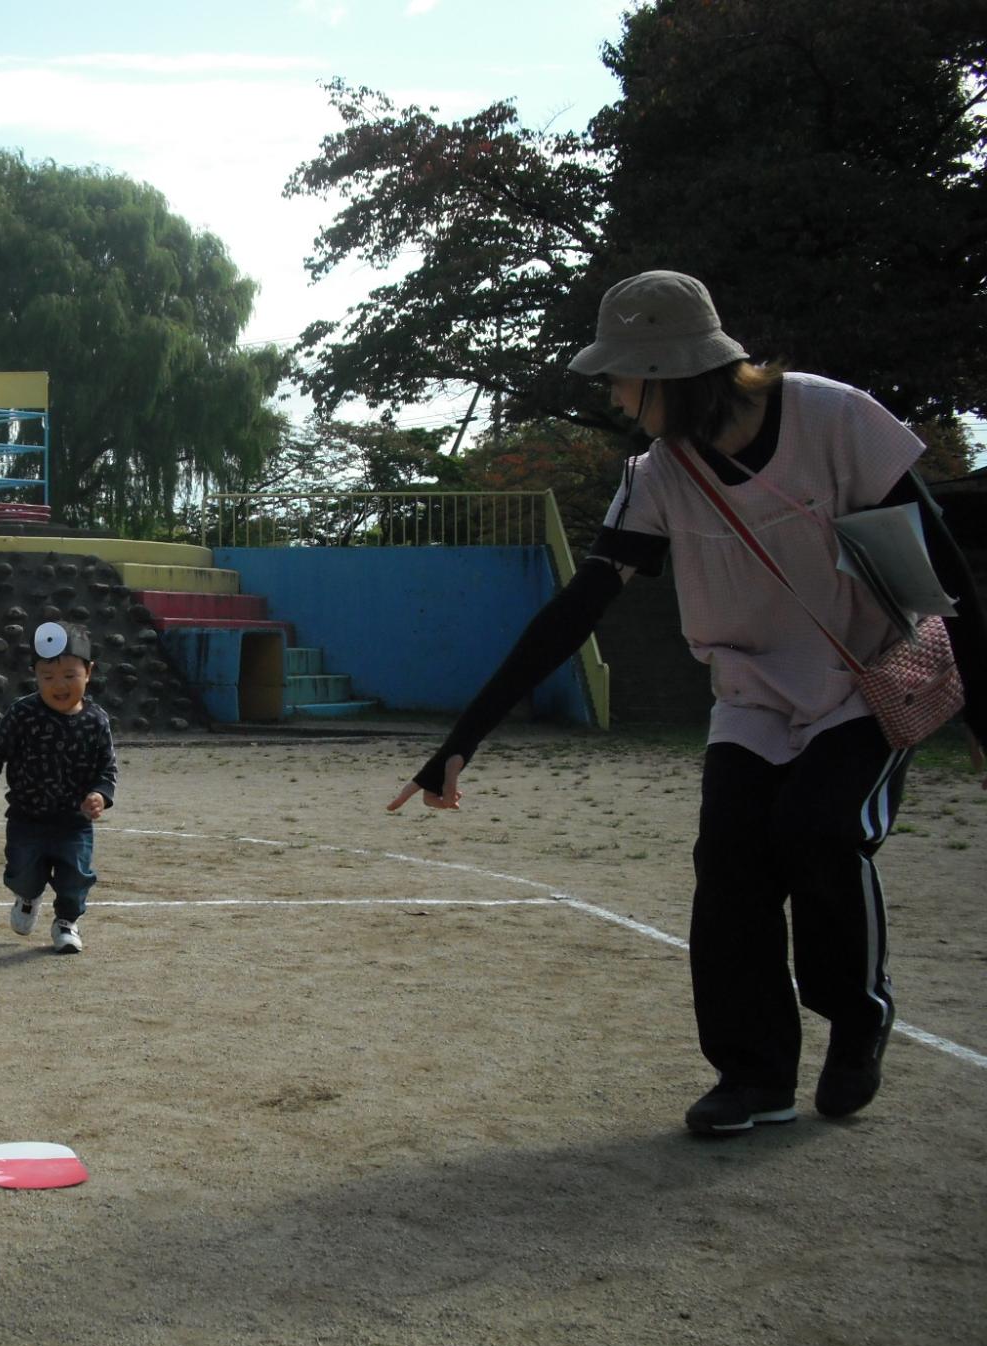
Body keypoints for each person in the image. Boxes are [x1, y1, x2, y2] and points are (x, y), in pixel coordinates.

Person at [388, 270, 987, 1136]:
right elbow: (575, 610)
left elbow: (945, 566)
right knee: (731, 863)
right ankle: (754, 1076)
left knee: (820, 831)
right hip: (750, 692)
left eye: (624, 378)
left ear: (669, 374)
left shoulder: (834, 418)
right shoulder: (658, 475)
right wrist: (462, 740)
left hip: (865, 677)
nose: (618, 396)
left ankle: (856, 1017)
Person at [0, 621, 119, 954]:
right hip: (27, 818)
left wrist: (100, 795)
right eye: (47, 677)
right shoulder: (23, 713)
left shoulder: (97, 720)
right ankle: (28, 896)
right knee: (21, 871)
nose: (59, 685)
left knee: (76, 876)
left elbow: (106, 769)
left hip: (73, 822)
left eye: (69, 675)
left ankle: (66, 922)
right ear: (35, 675)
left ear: (88, 672)